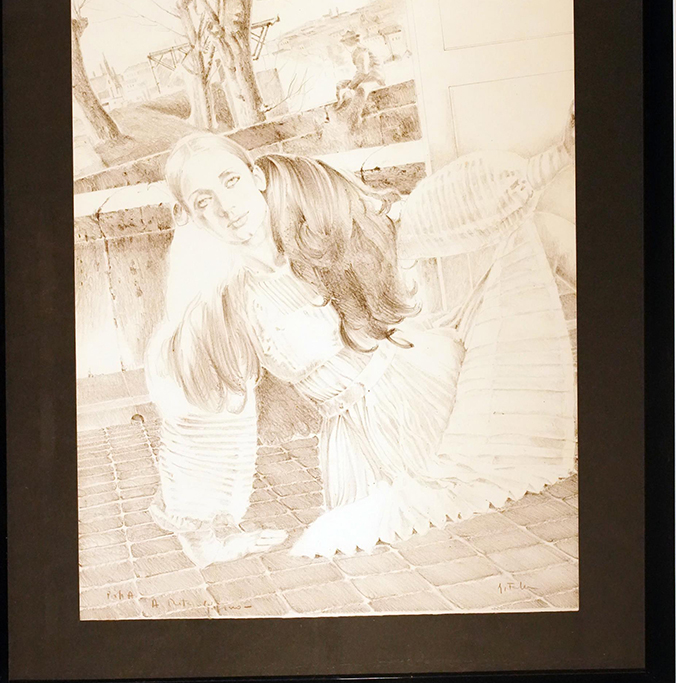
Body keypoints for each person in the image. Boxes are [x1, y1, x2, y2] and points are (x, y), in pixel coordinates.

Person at [146, 111, 576, 561]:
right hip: (362, 445)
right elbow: (204, 411)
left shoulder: (314, 225)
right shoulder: (225, 302)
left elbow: (424, 219)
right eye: (204, 202)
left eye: (231, 181)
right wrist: (206, 539)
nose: (227, 207)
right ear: (190, 216)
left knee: (537, 231)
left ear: (256, 177)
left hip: (428, 389)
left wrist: (555, 158)